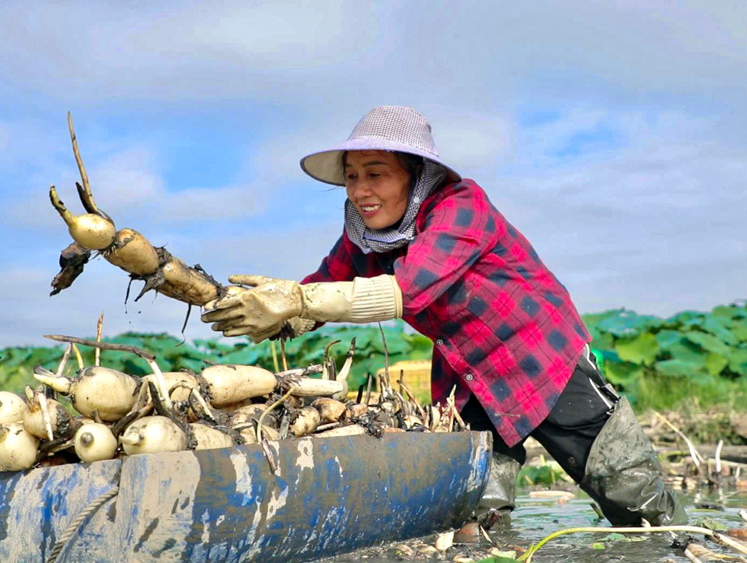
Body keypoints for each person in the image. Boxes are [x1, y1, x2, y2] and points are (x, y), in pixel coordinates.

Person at [201, 105, 686, 527]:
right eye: (352, 175)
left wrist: (297, 302)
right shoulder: (364, 235)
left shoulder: (459, 206)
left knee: (628, 492)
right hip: (467, 373)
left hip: (541, 360)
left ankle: (684, 543)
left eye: (376, 173)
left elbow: (410, 291)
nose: (360, 189)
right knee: (474, 505)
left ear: (415, 174)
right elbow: (322, 286)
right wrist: (255, 307)